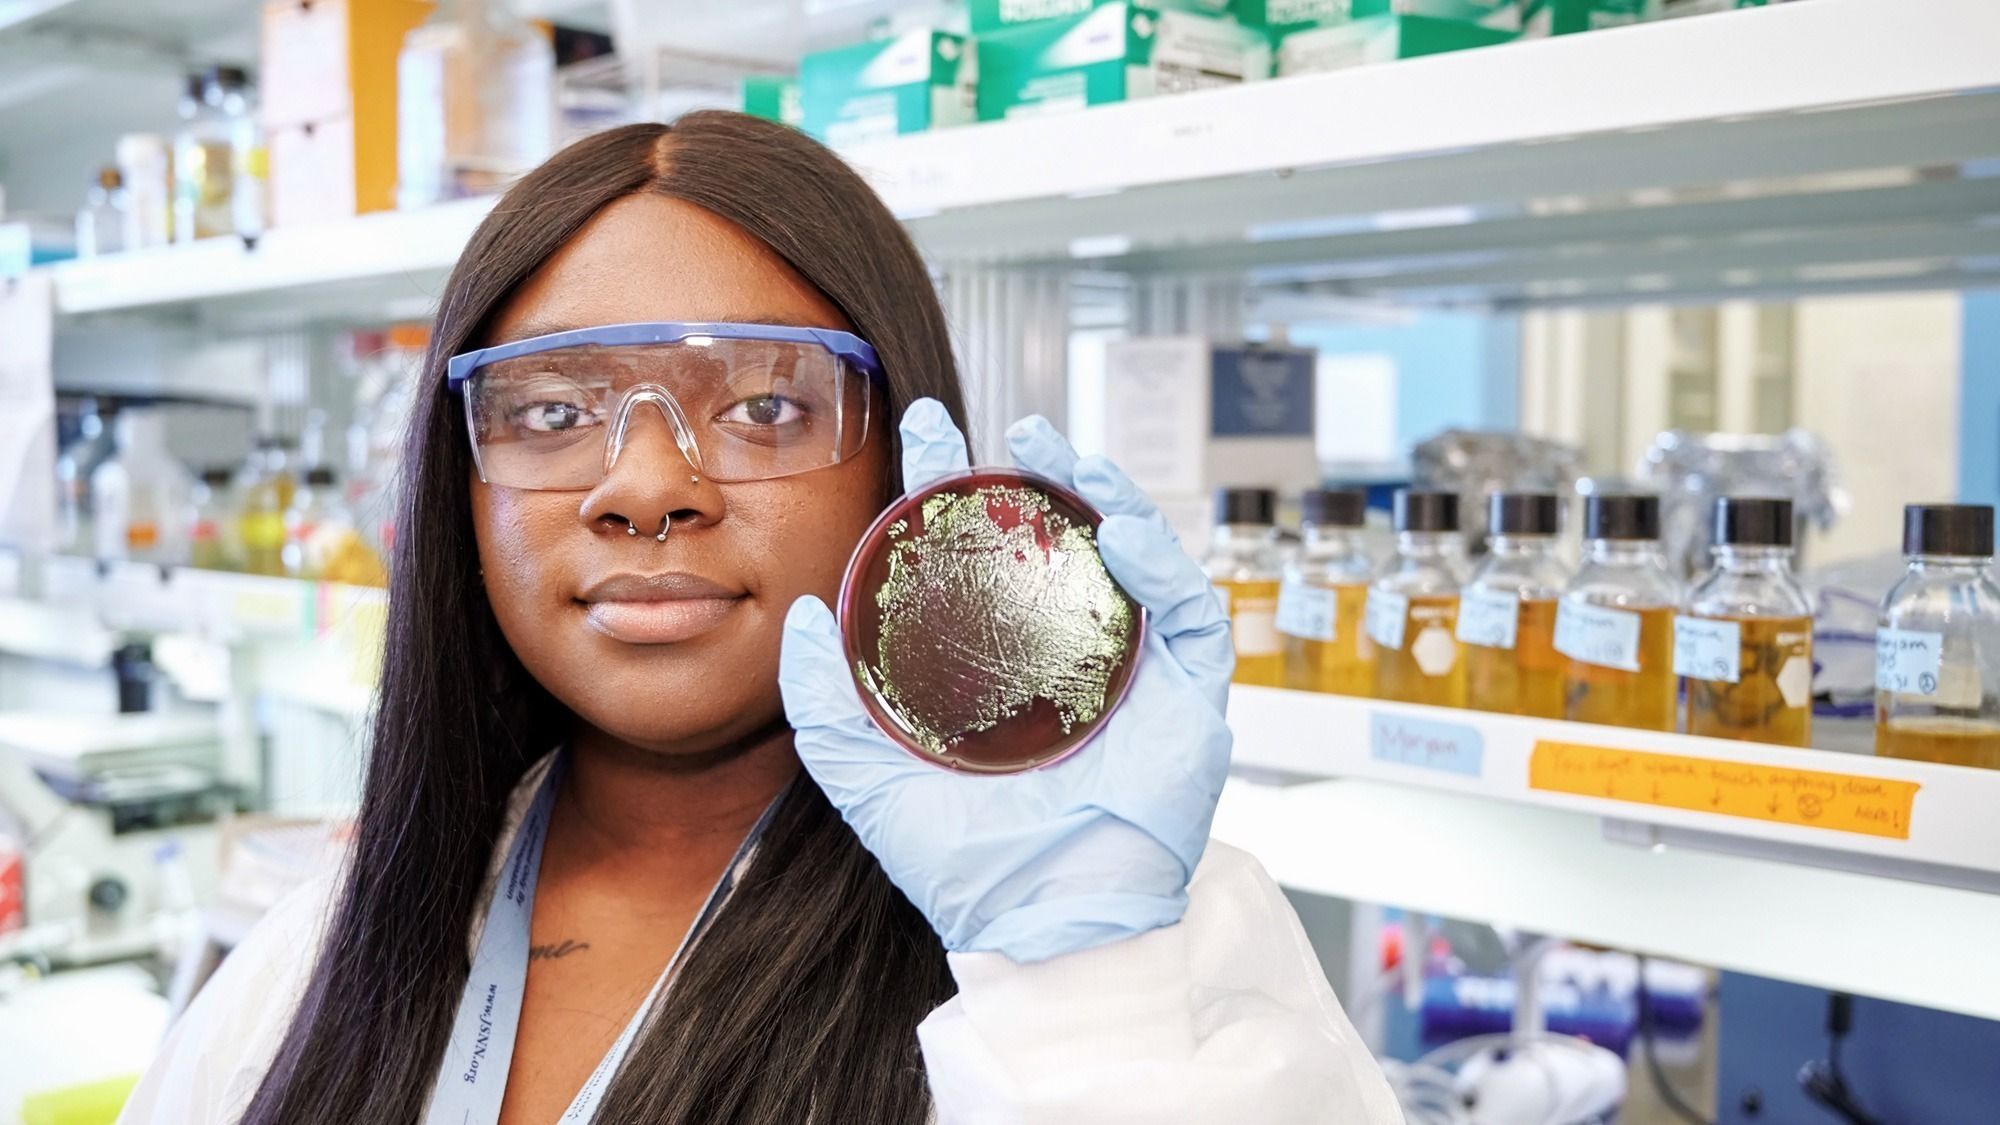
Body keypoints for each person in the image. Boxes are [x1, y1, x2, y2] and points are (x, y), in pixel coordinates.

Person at [118, 112, 1401, 1125]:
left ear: (899, 468)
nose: (645, 486)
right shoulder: (346, 931)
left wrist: (1087, 990)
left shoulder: (1122, 919)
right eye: (554, 413)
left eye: (763, 407)